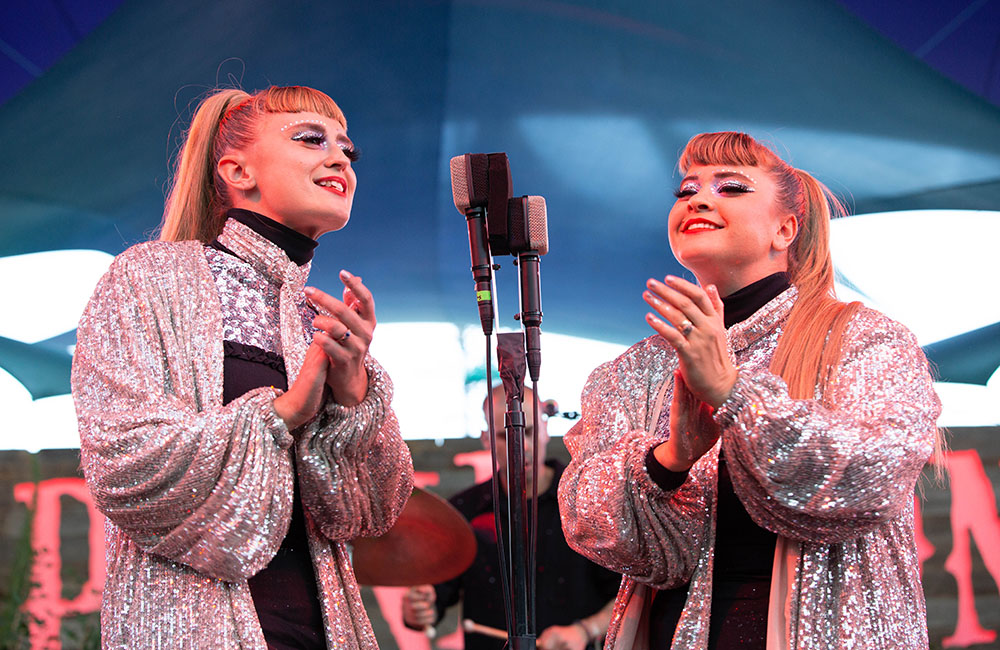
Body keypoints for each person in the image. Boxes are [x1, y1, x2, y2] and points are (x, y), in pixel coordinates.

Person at [558, 132, 942, 649]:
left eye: (731, 187)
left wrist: (735, 395)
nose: (696, 198)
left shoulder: (862, 338)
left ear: (785, 228)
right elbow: (591, 522)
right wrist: (668, 460)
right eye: (686, 190)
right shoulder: (628, 372)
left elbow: (876, 472)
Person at [71, 85, 413, 649]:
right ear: (237, 170)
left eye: (348, 150)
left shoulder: (319, 319)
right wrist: (280, 413)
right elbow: (125, 465)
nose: (339, 158)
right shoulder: (151, 278)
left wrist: (356, 401)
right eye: (311, 140)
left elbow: (370, 514)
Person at [402, 385, 620, 650]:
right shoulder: (463, 510)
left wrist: (586, 630)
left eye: (528, 432)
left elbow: (629, 596)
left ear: (545, 429)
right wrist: (419, 610)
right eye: (504, 436)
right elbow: (435, 597)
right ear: (486, 440)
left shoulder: (588, 501)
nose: (520, 446)